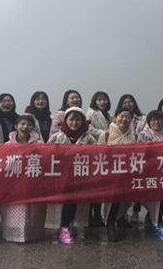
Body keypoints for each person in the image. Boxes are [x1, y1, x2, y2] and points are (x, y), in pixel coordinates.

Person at [46, 107, 98, 244]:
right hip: (62, 176)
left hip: (80, 176)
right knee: (66, 201)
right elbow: (45, 151)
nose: (75, 123)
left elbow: (97, 153)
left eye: (78, 119)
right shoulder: (58, 136)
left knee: (75, 201)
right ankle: (63, 229)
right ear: (66, 120)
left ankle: (69, 225)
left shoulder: (88, 137)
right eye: (71, 119)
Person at [0, 115, 47, 243]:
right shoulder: (7, 145)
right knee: (12, 210)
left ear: (33, 127)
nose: (25, 127)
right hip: (13, 185)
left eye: (29, 124)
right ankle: (13, 235)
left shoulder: (39, 145)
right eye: (22, 124)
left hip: (33, 183)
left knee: (33, 212)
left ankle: (33, 235)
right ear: (16, 126)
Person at [98, 107, 137, 242]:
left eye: (128, 117)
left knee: (126, 199)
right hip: (111, 174)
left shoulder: (134, 135)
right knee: (113, 200)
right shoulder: (106, 134)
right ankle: (110, 224)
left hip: (128, 173)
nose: (124, 119)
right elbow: (98, 154)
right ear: (116, 117)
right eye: (122, 116)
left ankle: (120, 219)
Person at [135, 110, 163, 241]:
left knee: (161, 198)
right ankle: (155, 223)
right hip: (148, 172)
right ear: (149, 122)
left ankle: (155, 222)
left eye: (159, 119)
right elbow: (139, 152)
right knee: (152, 198)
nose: (156, 122)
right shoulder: (143, 135)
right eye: (153, 119)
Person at [0, 93, 19, 232]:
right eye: (3, 101)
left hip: (15, 158)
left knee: (11, 188)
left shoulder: (18, 118)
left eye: (9, 101)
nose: (7, 103)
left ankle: (10, 218)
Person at [85, 91, 112, 226]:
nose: (102, 102)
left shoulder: (108, 115)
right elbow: (89, 129)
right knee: (93, 186)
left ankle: (98, 214)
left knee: (101, 186)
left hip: (105, 153)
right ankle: (90, 216)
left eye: (104, 99)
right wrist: (105, 133)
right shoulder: (90, 113)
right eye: (99, 100)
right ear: (94, 101)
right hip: (94, 151)